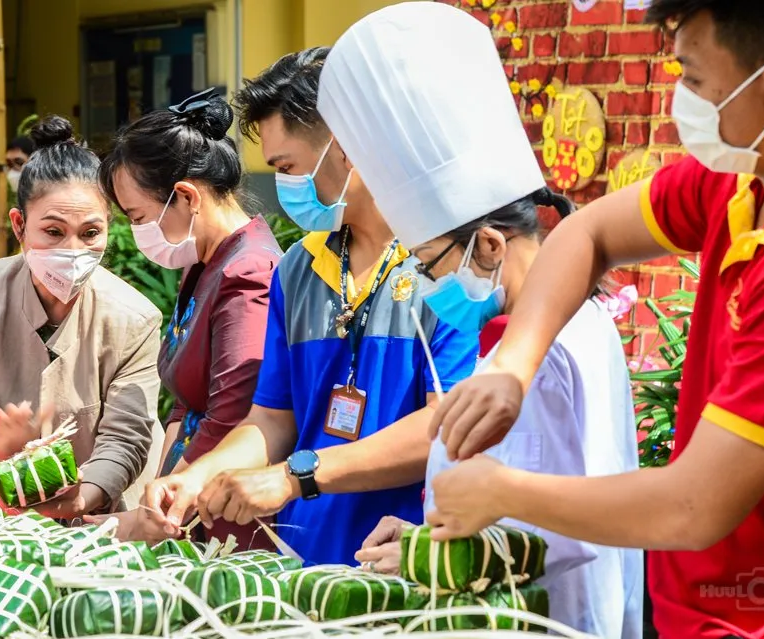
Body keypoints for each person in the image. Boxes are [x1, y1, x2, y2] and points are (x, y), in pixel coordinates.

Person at [410, 1, 764, 638]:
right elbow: (587, 233)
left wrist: (502, 493)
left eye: (693, 79)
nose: (680, 99)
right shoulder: (741, 182)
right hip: (693, 609)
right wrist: (513, 368)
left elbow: (693, 506)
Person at [316, 4, 642, 636]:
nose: (429, 287)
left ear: (489, 245)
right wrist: (422, 537)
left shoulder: (543, 352)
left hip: (546, 617)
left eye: (430, 265)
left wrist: (421, 557)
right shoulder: (565, 324)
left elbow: (551, 526)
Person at [142, 48, 479, 566]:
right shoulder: (299, 268)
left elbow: (443, 431)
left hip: (406, 558)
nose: (285, 187)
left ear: (346, 149)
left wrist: (293, 476)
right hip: (306, 559)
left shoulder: (447, 264)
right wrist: (198, 473)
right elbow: (273, 419)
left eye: (288, 167)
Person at [0, 115, 163, 519]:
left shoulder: (135, 318)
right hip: (10, 515)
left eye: (91, 233)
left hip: (105, 518)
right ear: (19, 225)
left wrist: (83, 497)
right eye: (54, 232)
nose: (74, 250)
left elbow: (126, 437)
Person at [96, 89, 282, 550]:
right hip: (184, 496)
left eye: (138, 216)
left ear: (185, 196)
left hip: (219, 504)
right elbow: (185, 398)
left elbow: (233, 409)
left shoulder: (249, 270)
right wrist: (160, 486)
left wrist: (172, 495)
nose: (138, 231)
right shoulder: (202, 263)